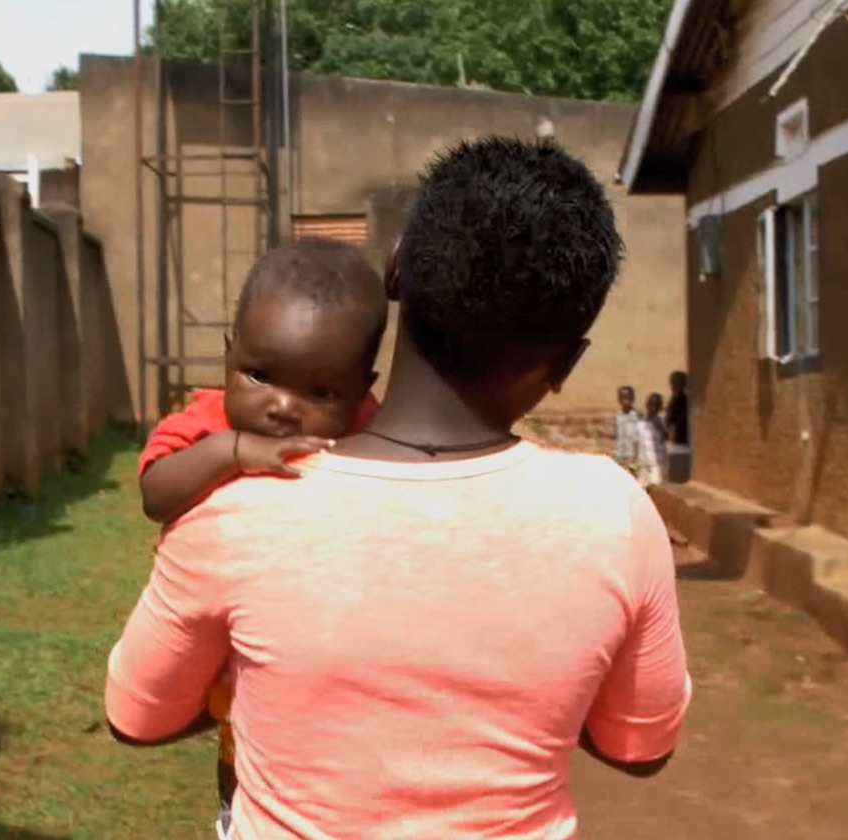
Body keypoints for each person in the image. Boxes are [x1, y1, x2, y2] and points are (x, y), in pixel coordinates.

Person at [106, 137, 691, 840]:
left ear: (395, 268)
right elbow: (639, 746)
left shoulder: (241, 502)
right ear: (564, 364)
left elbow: (137, 718)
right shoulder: (614, 515)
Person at [136, 237, 388, 838]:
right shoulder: (209, 422)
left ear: (361, 391)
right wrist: (231, 452)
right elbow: (155, 493)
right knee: (241, 751)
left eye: (320, 392)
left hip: (327, 643)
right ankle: (236, 819)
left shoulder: (369, 433)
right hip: (225, 638)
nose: (281, 408)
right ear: (228, 354)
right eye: (259, 375)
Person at [636, 393, 669, 488]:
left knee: (656, 488)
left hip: (657, 464)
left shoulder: (662, 423)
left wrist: (660, 427)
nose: (653, 408)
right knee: (643, 489)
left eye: (656, 405)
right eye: (651, 405)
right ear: (647, 405)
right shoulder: (640, 424)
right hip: (643, 464)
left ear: (660, 408)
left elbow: (666, 437)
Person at [665, 370, 691, 483]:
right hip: (677, 440)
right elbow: (669, 420)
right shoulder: (675, 399)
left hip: (685, 440)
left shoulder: (687, 400)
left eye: (677, 383)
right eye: (673, 383)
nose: (674, 386)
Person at [613, 385, 640, 472]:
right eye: (622, 398)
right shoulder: (618, 417)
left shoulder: (637, 416)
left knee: (633, 477)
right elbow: (616, 435)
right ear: (619, 400)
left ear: (633, 399)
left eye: (628, 398)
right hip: (620, 455)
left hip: (633, 456)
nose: (625, 401)